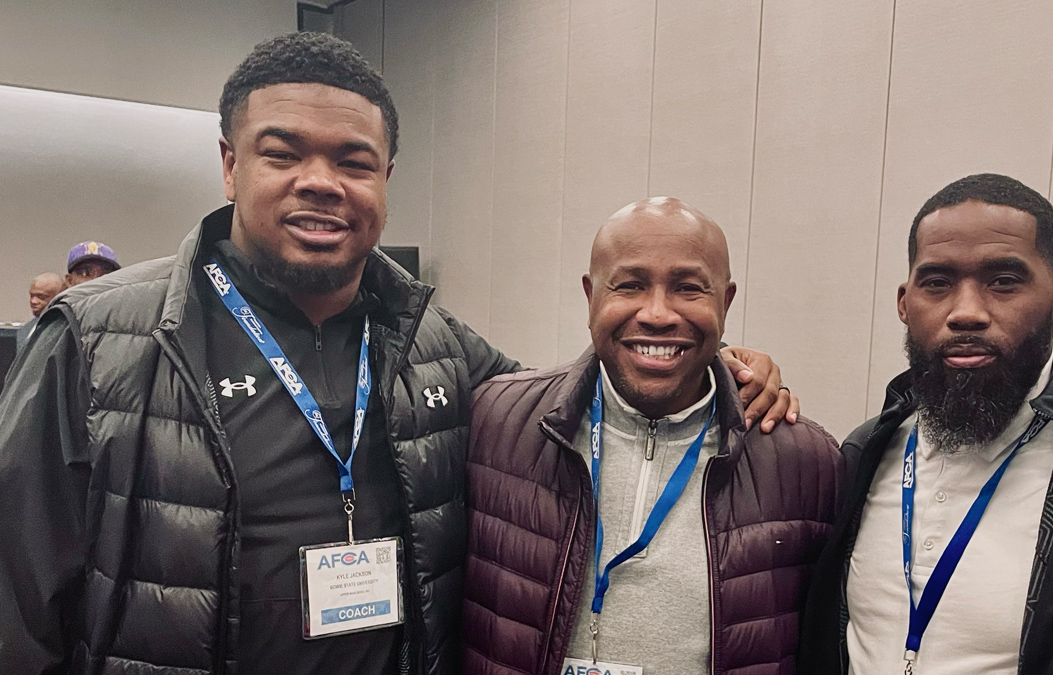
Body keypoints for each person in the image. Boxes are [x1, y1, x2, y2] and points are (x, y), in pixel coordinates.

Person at [0, 33, 795, 675]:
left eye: (352, 161)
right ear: (230, 165)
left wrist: (722, 368)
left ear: (385, 177)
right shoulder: (96, 341)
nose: (321, 182)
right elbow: (18, 612)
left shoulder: (439, 348)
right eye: (283, 154)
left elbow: (577, 400)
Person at [802, 174, 1053, 675]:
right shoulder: (863, 453)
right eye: (937, 283)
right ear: (905, 303)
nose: (966, 312)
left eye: (1003, 282)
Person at [462, 197, 843, 675]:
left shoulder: (801, 461)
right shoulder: (496, 423)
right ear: (590, 295)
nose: (658, 313)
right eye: (630, 285)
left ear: (725, 303)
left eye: (688, 289)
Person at [15, 272, 66, 353]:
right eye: (31, 296)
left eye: (41, 297)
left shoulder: (67, 331)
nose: (33, 301)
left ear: (59, 297)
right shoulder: (25, 329)